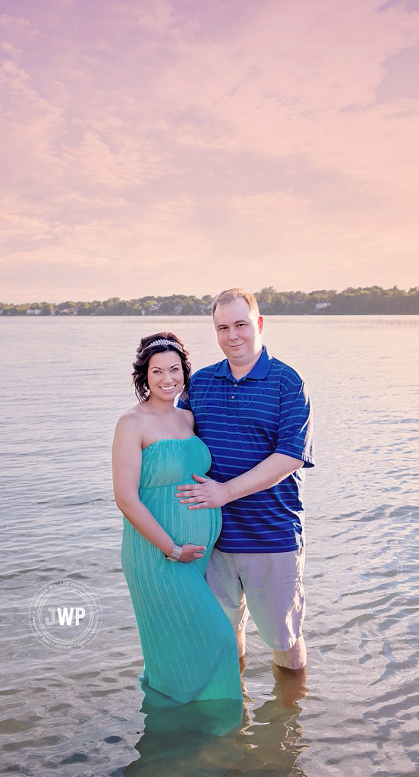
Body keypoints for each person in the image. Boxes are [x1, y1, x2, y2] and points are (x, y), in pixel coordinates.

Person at [176, 288, 314, 672]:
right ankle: (236, 719)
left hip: (271, 537)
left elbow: (289, 457)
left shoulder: (288, 382)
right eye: (223, 327)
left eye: (241, 324)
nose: (232, 335)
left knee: (283, 644)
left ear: (260, 324)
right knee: (224, 637)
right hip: (213, 539)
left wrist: (225, 492)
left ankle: (288, 725)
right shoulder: (199, 384)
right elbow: (173, 438)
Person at [112, 332, 243, 708]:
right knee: (218, 635)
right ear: (144, 377)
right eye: (157, 371)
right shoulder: (131, 423)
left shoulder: (188, 417)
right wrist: (171, 549)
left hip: (195, 556)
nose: (167, 379)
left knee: (184, 641)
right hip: (158, 556)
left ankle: (182, 722)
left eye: (174, 370)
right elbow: (125, 498)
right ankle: (204, 724)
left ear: (185, 372)